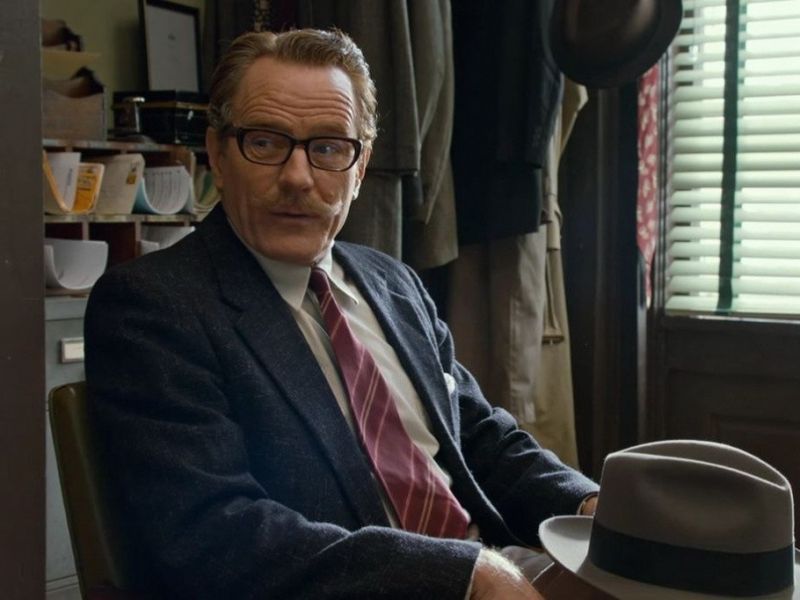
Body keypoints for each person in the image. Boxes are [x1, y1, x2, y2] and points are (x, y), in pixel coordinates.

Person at [85, 28, 599, 600]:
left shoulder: (393, 282)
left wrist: (590, 505)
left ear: (361, 167)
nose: (298, 177)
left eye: (329, 148)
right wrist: (464, 575)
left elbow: (478, 438)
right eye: (265, 142)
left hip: (495, 564)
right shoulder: (153, 306)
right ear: (218, 154)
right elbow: (216, 533)